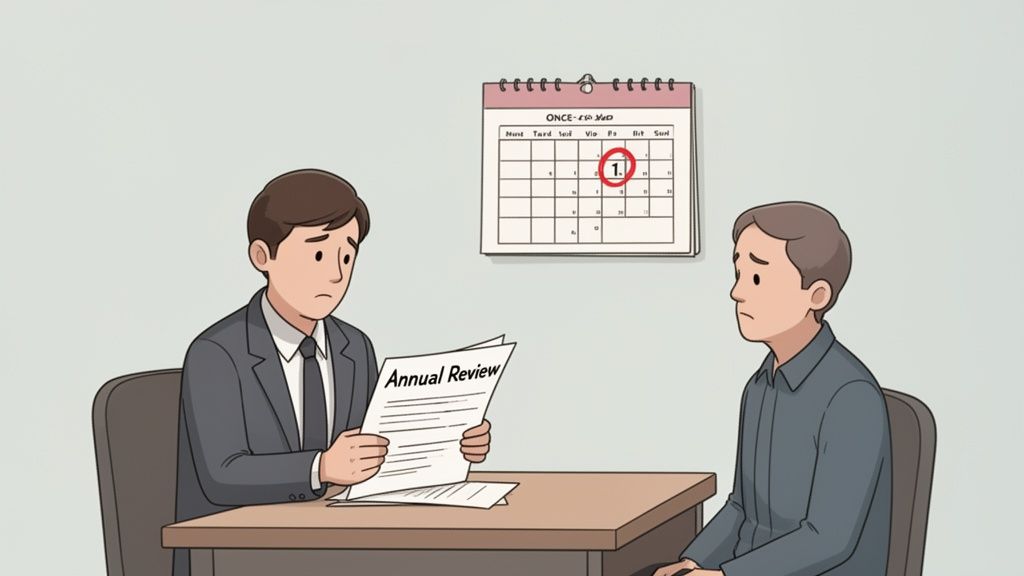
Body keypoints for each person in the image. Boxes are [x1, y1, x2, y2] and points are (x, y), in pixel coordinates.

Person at [172, 169, 492, 576]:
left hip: (335, 547)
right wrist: (320, 467)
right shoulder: (217, 353)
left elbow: (374, 451)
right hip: (238, 556)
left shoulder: (354, 347)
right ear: (262, 257)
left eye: (347, 255)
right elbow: (222, 475)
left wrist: (451, 442)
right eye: (318, 254)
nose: (336, 273)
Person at [637, 202, 892, 576]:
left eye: (757, 278)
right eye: (739, 273)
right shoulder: (760, 386)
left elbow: (827, 539)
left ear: (816, 296)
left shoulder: (850, 396)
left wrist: (726, 575)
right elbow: (742, 506)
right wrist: (693, 561)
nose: (737, 292)